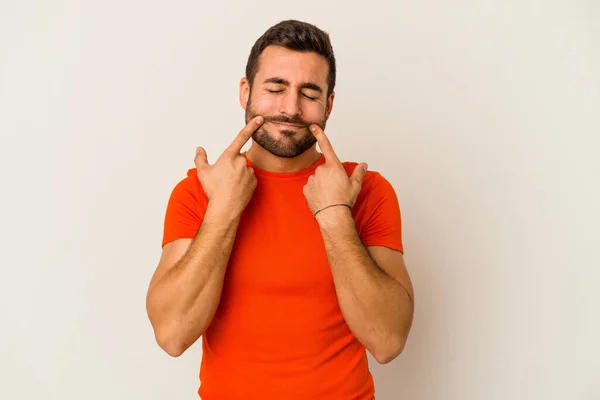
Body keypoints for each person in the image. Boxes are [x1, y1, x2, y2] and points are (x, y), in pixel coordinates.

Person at [145, 19, 415, 400]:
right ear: (245, 91)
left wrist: (335, 213)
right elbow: (172, 334)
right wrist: (223, 210)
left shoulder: (367, 190)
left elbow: (387, 341)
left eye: (309, 92)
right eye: (275, 88)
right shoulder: (200, 191)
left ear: (329, 104)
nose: (290, 108)